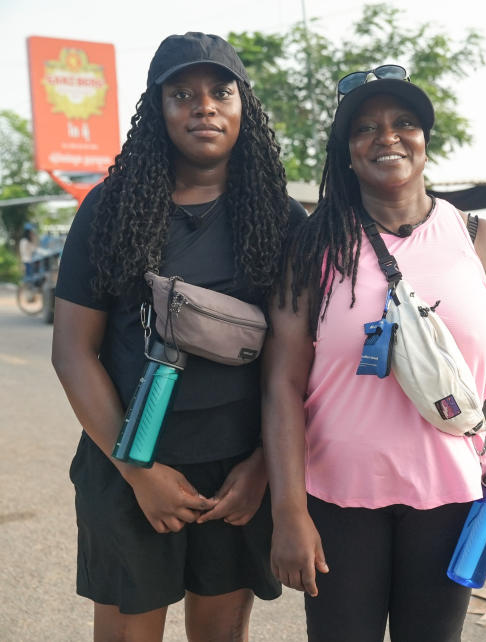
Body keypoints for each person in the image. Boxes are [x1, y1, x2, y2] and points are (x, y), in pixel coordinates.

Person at [262, 65, 486, 641]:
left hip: (456, 498)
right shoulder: (313, 247)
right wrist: (289, 510)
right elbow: (281, 386)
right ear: (346, 153)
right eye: (365, 128)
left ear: (424, 141)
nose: (386, 137)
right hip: (338, 501)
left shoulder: (478, 239)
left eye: (404, 123)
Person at [51, 32, 306, 640]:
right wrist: (139, 472)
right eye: (182, 94)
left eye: (221, 91)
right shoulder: (109, 209)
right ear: (156, 109)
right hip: (127, 463)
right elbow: (72, 352)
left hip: (236, 476)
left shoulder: (282, 219)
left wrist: (264, 467)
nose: (204, 106)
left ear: (244, 105)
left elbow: (294, 367)